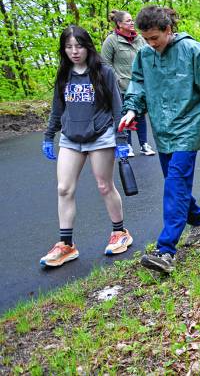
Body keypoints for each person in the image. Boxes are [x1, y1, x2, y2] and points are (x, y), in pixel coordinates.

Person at [120, 6, 200, 274]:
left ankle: (166, 250)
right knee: (177, 185)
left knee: (175, 184)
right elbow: (138, 84)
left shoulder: (192, 50)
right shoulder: (145, 55)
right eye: (145, 39)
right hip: (163, 130)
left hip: (189, 127)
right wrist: (131, 108)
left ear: (168, 30)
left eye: (154, 38)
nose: (150, 44)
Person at [40, 25, 133, 267]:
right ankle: (66, 245)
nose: (74, 51)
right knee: (64, 189)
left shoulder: (104, 72)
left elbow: (117, 106)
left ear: (87, 46)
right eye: (69, 47)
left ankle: (120, 232)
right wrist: (49, 136)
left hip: (101, 135)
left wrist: (121, 141)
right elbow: (58, 108)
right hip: (71, 138)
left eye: (78, 46)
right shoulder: (64, 73)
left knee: (104, 185)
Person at [101, 9, 156, 157]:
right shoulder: (111, 40)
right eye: (128, 21)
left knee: (140, 115)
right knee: (125, 115)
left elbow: (149, 57)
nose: (132, 23)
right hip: (121, 86)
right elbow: (105, 63)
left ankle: (144, 144)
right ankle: (128, 145)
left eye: (132, 20)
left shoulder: (140, 39)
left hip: (140, 84)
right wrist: (116, 80)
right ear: (119, 24)